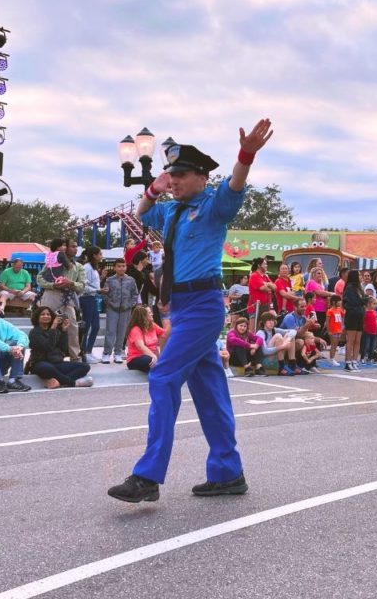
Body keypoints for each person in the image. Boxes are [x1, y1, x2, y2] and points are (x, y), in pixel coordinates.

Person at [108, 118, 273, 504]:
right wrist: (153, 188)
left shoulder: (214, 206)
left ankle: (148, 476)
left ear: (202, 177)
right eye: (172, 173)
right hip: (181, 308)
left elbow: (235, 184)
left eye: (181, 174)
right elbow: (142, 212)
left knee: (163, 376)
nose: (175, 180)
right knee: (211, 392)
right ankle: (228, 472)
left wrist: (246, 153)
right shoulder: (173, 211)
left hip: (203, 305)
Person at [37, 239, 85, 361]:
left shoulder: (78, 266)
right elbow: (39, 279)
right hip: (51, 294)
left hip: (67, 297)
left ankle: (75, 358)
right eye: (72, 246)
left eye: (76, 247)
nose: (75, 249)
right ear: (65, 248)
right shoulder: (52, 261)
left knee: (72, 327)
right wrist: (53, 285)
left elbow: (82, 285)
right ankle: (41, 357)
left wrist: (71, 283)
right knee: (45, 324)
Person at [27, 306, 93, 388]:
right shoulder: (34, 333)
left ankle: (58, 382)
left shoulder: (56, 331)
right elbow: (48, 346)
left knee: (85, 367)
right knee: (48, 368)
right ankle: (73, 383)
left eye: (48, 314)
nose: (46, 316)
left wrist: (64, 331)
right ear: (37, 317)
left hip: (56, 363)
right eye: (42, 314)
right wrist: (53, 327)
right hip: (40, 363)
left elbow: (63, 348)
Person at [101, 258, 138, 364]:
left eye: (123, 266)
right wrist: (109, 303)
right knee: (110, 331)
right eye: (119, 266)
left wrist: (130, 305)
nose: (121, 268)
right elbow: (105, 294)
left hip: (126, 310)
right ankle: (106, 353)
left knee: (122, 332)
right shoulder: (109, 280)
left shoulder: (131, 280)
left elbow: (135, 294)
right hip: (112, 309)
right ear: (115, 267)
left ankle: (118, 353)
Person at [124, 305, 167, 373]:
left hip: (151, 357)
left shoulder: (152, 325)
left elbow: (165, 334)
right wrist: (154, 356)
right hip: (135, 359)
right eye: (149, 313)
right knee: (149, 360)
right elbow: (140, 346)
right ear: (143, 316)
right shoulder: (135, 329)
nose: (152, 314)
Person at [256, 312, 299, 376]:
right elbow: (265, 351)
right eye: (269, 320)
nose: (271, 322)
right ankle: (281, 367)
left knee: (290, 336)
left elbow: (294, 331)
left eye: (272, 320)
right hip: (266, 361)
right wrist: (282, 346)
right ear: (264, 322)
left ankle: (292, 363)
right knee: (278, 336)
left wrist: (287, 340)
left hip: (276, 358)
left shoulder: (275, 330)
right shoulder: (260, 333)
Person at [79, 247, 103, 363]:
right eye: (100, 254)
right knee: (87, 326)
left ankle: (88, 350)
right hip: (86, 298)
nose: (101, 256)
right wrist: (97, 290)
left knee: (96, 326)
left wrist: (98, 290)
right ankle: (84, 352)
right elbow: (83, 285)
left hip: (93, 298)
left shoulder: (93, 268)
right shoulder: (87, 268)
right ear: (94, 255)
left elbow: (93, 284)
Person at [342, 269, 366, 372]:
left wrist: (364, 300)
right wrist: (364, 300)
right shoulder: (349, 287)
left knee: (358, 340)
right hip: (352, 315)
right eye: (359, 275)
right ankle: (348, 362)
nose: (361, 277)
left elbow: (362, 299)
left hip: (360, 315)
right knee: (350, 340)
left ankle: (354, 361)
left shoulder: (359, 288)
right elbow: (354, 301)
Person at [326, 295, 345, 365]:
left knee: (336, 344)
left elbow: (343, 316)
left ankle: (333, 358)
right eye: (339, 301)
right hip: (333, 330)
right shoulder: (330, 311)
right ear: (334, 302)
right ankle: (331, 359)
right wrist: (329, 331)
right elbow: (327, 322)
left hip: (338, 330)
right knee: (333, 345)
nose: (340, 302)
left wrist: (342, 326)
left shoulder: (339, 309)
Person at [361, 297, 377, 364]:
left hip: (374, 331)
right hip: (367, 331)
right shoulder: (365, 312)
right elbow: (362, 321)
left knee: (372, 346)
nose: (375, 305)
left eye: (376, 304)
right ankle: (362, 358)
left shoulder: (375, 312)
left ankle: (370, 358)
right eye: (374, 304)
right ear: (368, 304)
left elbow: (376, 321)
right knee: (366, 345)